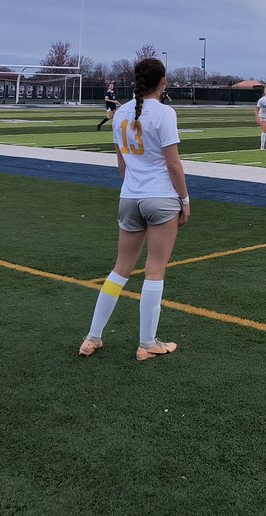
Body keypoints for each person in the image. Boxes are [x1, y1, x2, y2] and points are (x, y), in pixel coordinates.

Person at [78, 57, 189, 361]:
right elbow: (173, 164)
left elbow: (122, 164)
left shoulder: (119, 114)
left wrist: (134, 188)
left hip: (130, 196)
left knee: (120, 269)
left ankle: (92, 337)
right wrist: (185, 200)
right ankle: (147, 343)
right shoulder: (165, 113)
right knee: (154, 270)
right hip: (161, 198)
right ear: (162, 82)